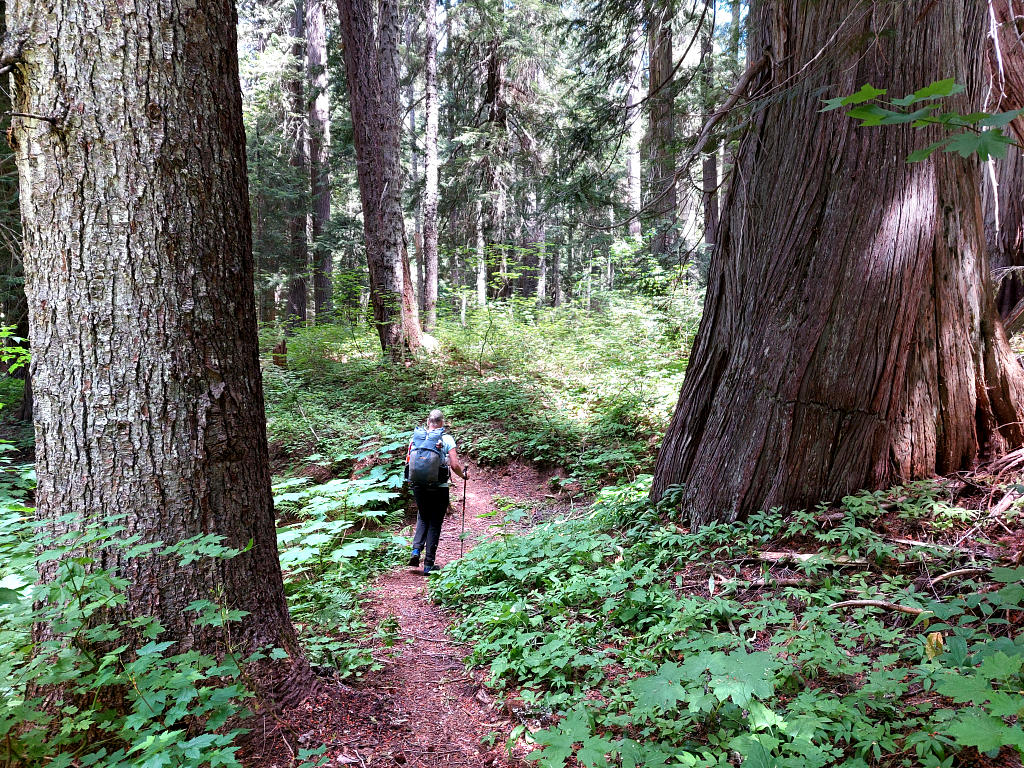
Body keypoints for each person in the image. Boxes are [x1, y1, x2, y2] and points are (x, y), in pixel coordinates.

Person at [406, 409, 467, 574]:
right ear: (442, 423)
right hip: (438, 487)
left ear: (428, 422)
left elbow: (408, 461)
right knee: (435, 523)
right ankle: (428, 565)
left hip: (418, 485)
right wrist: (464, 476)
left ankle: (416, 551)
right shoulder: (446, 438)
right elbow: (454, 465)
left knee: (423, 517)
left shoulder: (416, 438)